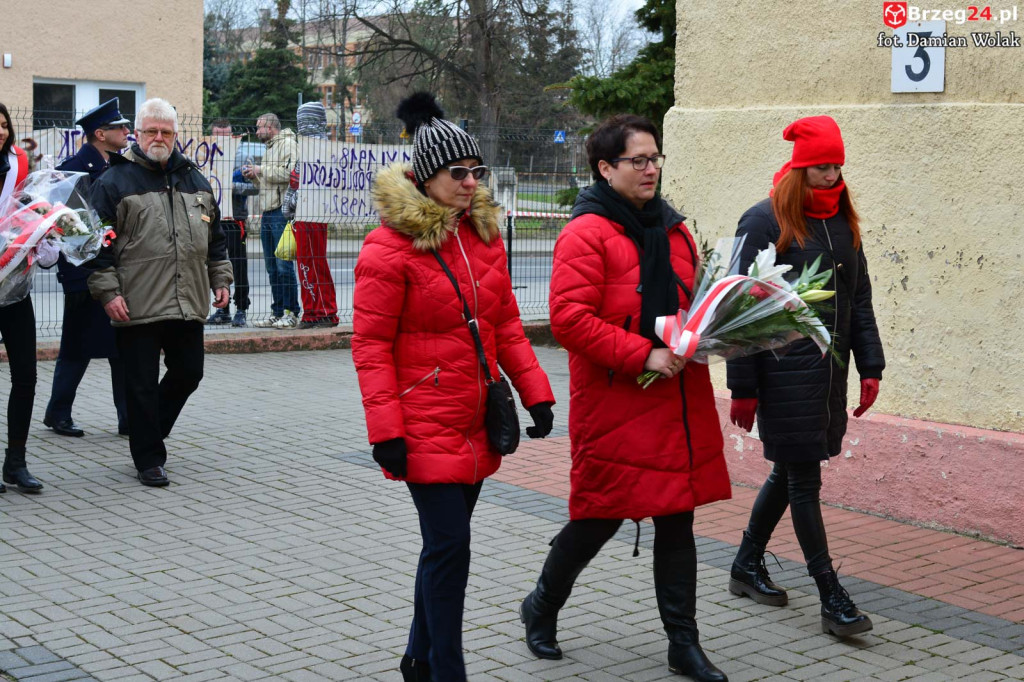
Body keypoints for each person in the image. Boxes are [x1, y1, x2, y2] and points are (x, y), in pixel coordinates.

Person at [352, 92, 556, 682]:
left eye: (477, 171)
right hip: (420, 423)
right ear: (424, 177)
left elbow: (506, 325)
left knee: (442, 550)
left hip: (472, 418)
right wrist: (386, 431)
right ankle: (447, 669)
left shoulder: (485, 238)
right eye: (458, 173)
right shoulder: (387, 249)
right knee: (451, 550)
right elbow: (369, 346)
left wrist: (535, 391)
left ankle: (417, 658)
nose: (471, 183)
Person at [519, 114, 731, 682]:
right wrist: (644, 354)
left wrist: (708, 337)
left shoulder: (677, 229)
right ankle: (541, 605)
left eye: (656, 158)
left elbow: (696, 301)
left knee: (677, 520)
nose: (651, 169)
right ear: (605, 168)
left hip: (676, 400)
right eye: (638, 160)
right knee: (598, 518)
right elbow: (568, 319)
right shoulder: (586, 233)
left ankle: (683, 645)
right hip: (618, 403)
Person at [726, 115, 885, 638]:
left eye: (837, 164)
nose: (831, 174)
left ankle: (746, 565)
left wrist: (871, 365)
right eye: (821, 165)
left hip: (828, 372)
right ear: (801, 167)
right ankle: (830, 594)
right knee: (803, 478)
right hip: (782, 373)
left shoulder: (843, 222)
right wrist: (743, 386)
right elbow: (738, 305)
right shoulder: (765, 221)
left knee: (791, 469)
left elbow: (857, 299)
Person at [87, 97, 233, 486]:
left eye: (166, 132)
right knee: (140, 383)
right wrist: (108, 293)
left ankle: (147, 430)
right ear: (137, 134)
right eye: (151, 130)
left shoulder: (195, 180)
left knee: (189, 372)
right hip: (136, 302)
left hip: (188, 299)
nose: (158, 137)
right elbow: (95, 247)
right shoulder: (114, 182)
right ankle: (149, 458)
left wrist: (221, 280)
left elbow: (216, 240)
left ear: (175, 135)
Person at [44, 98, 131, 438]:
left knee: (122, 348)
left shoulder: (122, 166)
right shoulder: (74, 169)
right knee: (76, 347)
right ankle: (57, 413)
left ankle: (128, 417)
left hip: (119, 271)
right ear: (100, 133)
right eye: (120, 127)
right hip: (84, 273)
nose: (127, 131)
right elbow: (67, 228)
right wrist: (78, 274)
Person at [0, 102, 60, 493]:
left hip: (14, 291)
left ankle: (15, 462)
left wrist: (44, 235)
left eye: (3, 125)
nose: (0, 132)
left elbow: (29, 218)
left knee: (26, 376)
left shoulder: (18, 171)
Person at [284, 102, 338, 329]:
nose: (301, 126)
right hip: (303, 215)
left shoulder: (320, 148)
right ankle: (312, 311)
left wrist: (293, 197)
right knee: (306, 263)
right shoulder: (306, 146)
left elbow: (306, 179)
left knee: (314, 263)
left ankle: (325, 311)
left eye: (303, 121)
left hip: (315, 213)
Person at [245, 113, 299, 329]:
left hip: (281, 212)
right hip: (268, 212)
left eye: (259, 128)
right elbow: (268, 182)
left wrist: (261, 170)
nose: (257, 132)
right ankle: (277, 312)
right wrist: (255, 177)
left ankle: (291, 312)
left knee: (283, 264)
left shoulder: (288, 144)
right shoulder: (270, 148)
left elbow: (290, 174)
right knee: (271, 266)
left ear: (270, 127)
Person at [206, 119, 250, 327]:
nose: (222, 139)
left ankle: (241, 308)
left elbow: (252, 188)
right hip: (213, 218)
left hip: (235, 218)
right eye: (218, 135)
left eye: (226, 135)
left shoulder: (242, 156)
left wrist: (227, 184)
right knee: (216, 263)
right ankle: (222, 309)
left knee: (238, 264)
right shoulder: (206, 153)